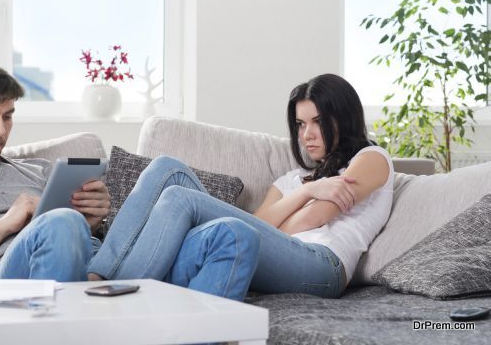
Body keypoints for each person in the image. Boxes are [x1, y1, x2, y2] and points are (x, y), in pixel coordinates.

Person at [0, 57, 259, 301]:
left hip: (92, 267)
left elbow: (81, 233)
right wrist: (6, 225)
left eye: (8, 116)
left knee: (232, 235)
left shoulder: (38, 171)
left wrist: (94, 223)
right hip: (3, 287)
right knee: (61, 223)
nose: (0, 129)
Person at [87, 73, 394, 298]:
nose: (307, 134)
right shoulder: (292, 180)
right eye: (301, 124)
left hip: (324, 264)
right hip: (281, 253)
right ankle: (97, 273)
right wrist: (307, 191)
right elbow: (257, 226)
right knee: (166, 167)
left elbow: (315, 217)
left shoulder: (371, 158)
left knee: (181, 198)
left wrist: (282, 221)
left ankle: (114, 288)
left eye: (317, 122)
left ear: (343, 119)